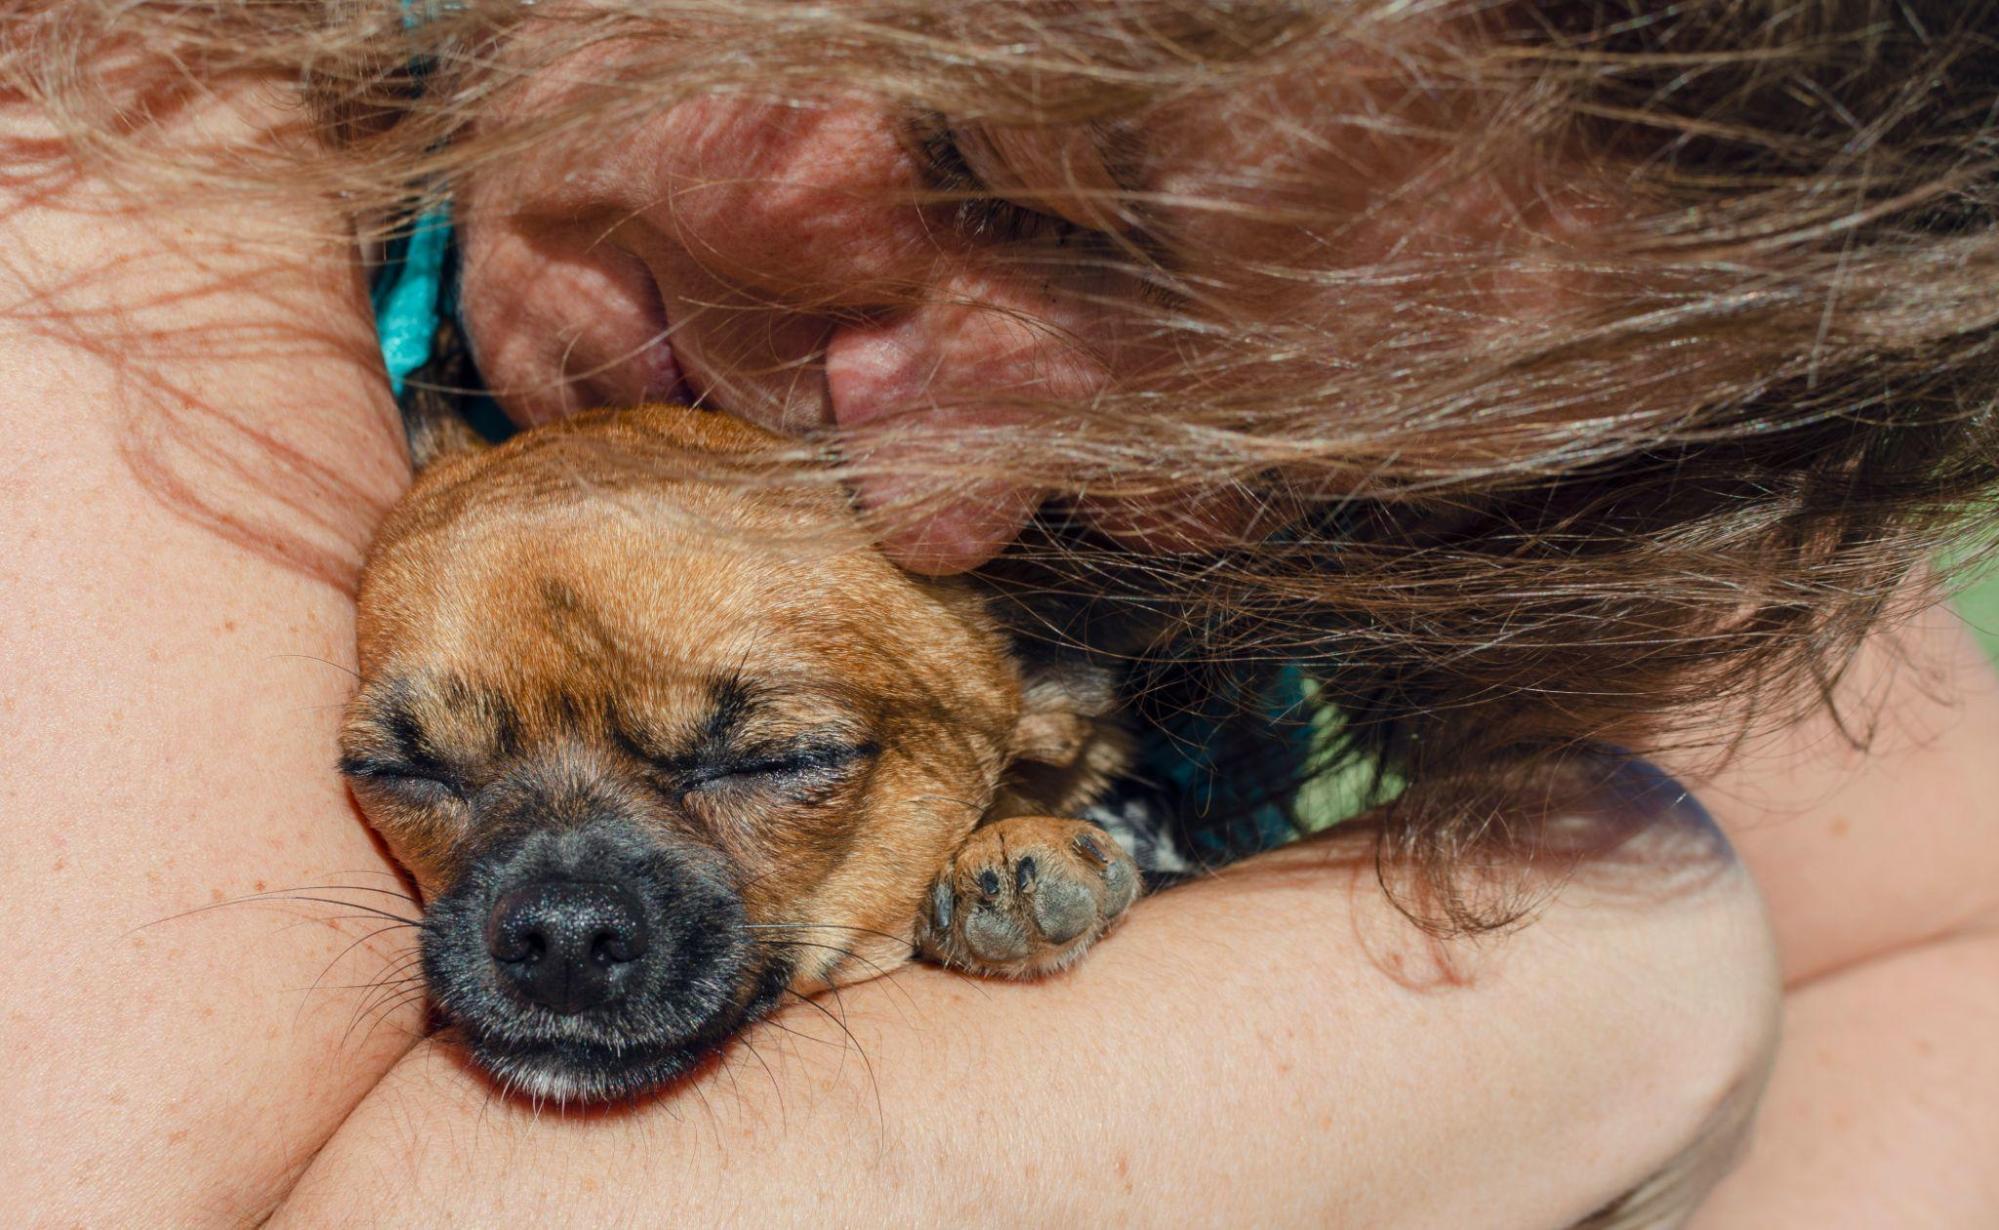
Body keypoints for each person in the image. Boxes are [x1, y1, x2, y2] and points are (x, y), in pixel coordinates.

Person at [3, 1, 1996, 1223]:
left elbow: (1930, 951)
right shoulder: (117, 98)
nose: (937, 493)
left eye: (1261, 430)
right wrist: (1593, 987)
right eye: (990, 176)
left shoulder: (1496, 218)